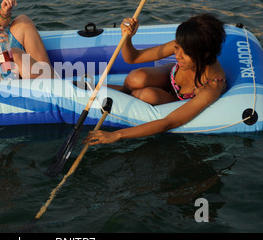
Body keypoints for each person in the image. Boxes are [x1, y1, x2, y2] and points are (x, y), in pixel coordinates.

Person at [84, 13, 227, 145]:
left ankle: (124, 94)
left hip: (176, 101)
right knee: (136, 78)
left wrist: (117, 135)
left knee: (147, 95)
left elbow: (169, 122)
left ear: (206, 54)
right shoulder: (186, 44)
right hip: (171, 77)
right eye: (176, 48)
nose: (178, 56)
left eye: (186, 53)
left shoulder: (212, 86)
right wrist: (127, 37)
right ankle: (120, 90)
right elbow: (133, 58)